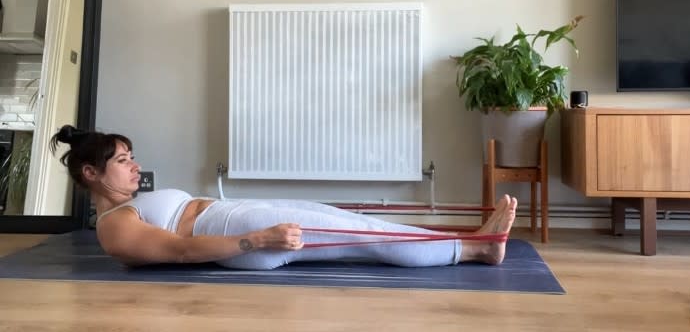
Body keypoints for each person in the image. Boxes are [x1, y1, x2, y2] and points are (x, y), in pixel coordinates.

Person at [49, 125, 518, 270]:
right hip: (234, 233)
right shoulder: (114, 228)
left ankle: (467, 240)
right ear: (92, 173)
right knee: (360, 235)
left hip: (231, 216)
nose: (134, 166)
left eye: (132, 157)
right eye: (122, 160)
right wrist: (259, 239)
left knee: (351, 219)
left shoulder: (130, 206)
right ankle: (477, 249)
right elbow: (180, 249)